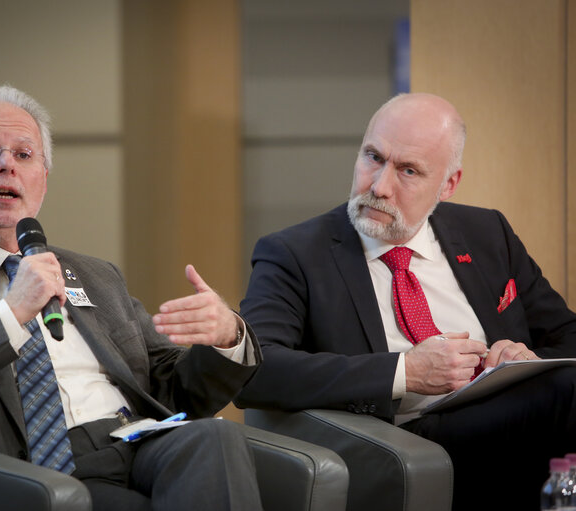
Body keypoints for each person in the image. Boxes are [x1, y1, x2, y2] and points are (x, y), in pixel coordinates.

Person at [0, 85, 263, 511]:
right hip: (34, 467)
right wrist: (11, 313)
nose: (6, 166)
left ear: (43, 181)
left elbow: (174, 393)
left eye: (24, 155)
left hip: (137, 442)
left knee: (216, 435)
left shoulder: (96, 275)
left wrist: (226, 337)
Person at [235, 92, 576, 510]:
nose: (379, 186)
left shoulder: (487, 232)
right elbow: (255, 370)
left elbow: (568, 336)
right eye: (373, 157)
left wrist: (525, 359)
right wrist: (405, 372)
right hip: (404, 437)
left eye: (408, 170)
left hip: (509, 415)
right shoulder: (295, 253)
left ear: (448, 184)